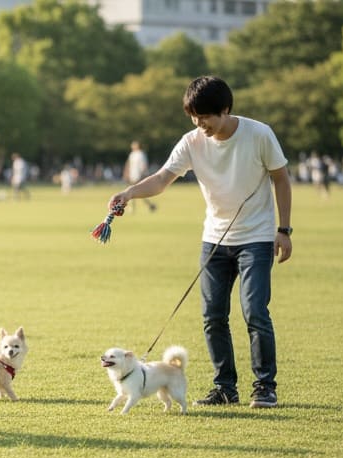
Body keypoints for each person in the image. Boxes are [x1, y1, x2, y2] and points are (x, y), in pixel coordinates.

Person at [108, 76, 292, 409]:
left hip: (257, 237)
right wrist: (130, 192)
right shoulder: (192, 141)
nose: (199, 123)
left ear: (225, 109)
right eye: (193, 116)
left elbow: (281, 178)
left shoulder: (259, 134)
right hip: (214, 239)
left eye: (204, 116)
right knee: (212, 316)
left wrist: (285, 229)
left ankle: (264, 387)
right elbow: (163, 178)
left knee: (255, 312)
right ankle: (225, 388)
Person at [123, 141, 157, 212]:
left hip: (138, 175)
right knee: (134, 191)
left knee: (133, 191)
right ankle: (150, 205)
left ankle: (133, 208)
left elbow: (143, 165)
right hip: (133, 175)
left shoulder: (141, 154)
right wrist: (127, 173)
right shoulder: (132, 154)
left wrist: (143, 175)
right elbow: (129, 164)